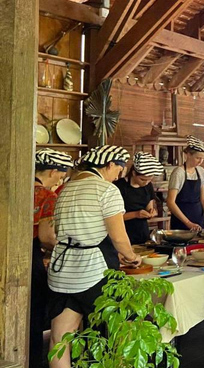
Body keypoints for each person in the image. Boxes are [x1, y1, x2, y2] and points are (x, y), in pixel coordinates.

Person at [48, 145, 141, 368]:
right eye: (118, 171)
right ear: (110, 165)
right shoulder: (106, 190)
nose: (117, 177)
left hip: (62, 270)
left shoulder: (66, 188)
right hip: (93, 271)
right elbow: (118, 238)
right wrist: (132, 256)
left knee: (59, 338)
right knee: (113, 335)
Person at [31, 149, 73, 368]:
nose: (61, 179)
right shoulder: (47, 196)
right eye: (61, 174)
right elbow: (47, 238)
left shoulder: (19, 186)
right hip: (30, 257)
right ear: (54, 171)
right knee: (34, 314)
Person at [167, 136, 204, 231]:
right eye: (198, 158)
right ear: (188, 154)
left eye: (203, 158)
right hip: (181, 219)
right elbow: (170, 202)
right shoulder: (178, 173)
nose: (200, 161)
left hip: (198, 216)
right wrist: (188, 223)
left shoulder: (201, 171)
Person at [114, 152, 163, 245]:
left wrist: (152, 212)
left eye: (149, 180)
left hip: (142, 232)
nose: (146, 183)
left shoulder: (148, 186)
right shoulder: (119, 186)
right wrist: (136, 214)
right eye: (143, 179)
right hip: (124, 233)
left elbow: (150, 207)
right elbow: (113, 217)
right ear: (133, 173)